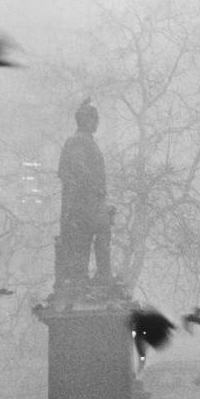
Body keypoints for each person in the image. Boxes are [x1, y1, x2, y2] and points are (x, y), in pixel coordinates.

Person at [57, 98, 113, 288]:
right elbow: (78, 166)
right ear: (84, 120)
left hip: (92, 201)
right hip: (83, 202)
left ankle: (100, 277)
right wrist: (94, 186)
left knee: (98, 235)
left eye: (96, 119)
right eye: (93, 118)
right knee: (86, 238)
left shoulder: (87, 141)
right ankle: (86, 279)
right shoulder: (77, 141)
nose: (96, 122)